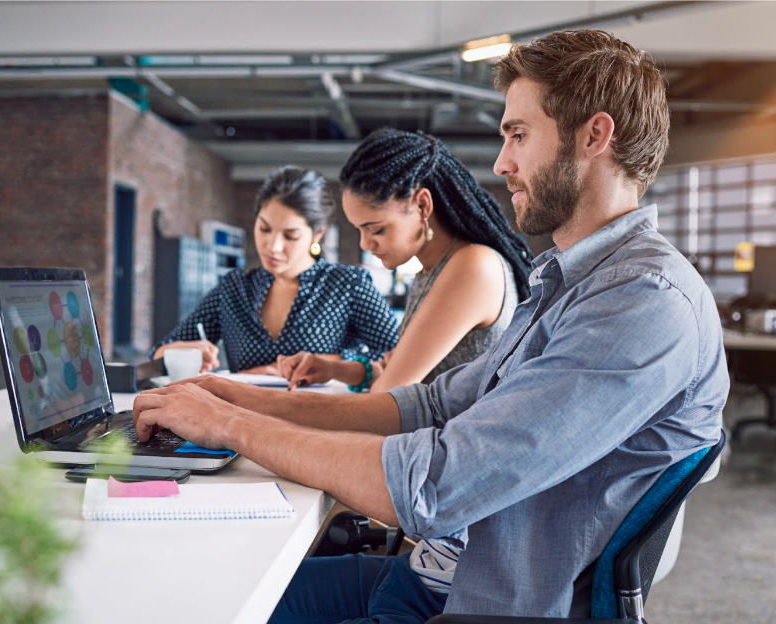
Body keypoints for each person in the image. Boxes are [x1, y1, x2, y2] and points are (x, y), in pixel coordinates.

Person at [132, 29, 728, 621]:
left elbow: (435, 485)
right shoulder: (567, 284)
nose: (502, 163)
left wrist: (231, 426)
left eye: (518, 135)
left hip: (475, 606)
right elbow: (428, 406)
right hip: (433, 577)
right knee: (204, 592)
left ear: (595, 135)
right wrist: (242, 401)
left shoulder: (645, 303)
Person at [276, 128, 533, 392]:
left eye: (376, 229)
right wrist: (333, 369)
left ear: (422, 205)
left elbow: (388, 397)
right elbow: (396, 375)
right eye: (359, 230)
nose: (365, 243)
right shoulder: (430, 271)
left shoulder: (473, 266)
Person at [152, 165, 399, 375]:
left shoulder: (346, 284)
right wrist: (186, 353)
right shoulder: (234, 289)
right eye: (265, 229)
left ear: (317, 234)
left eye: (290, 236)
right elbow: (160, 354)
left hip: (319, 424)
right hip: (241, 423)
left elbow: (397, 358)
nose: (273, 246)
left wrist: (327, 365)